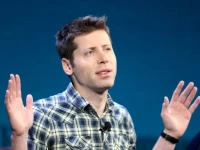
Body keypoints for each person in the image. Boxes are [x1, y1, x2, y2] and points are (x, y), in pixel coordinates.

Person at [4, 15, 200, 150]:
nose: (103, 58)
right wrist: (19, 136)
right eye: (90, 52)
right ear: (67, 66)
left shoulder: (122, 117)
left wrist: (170, 133)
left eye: (107, 49)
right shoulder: (42, 115)